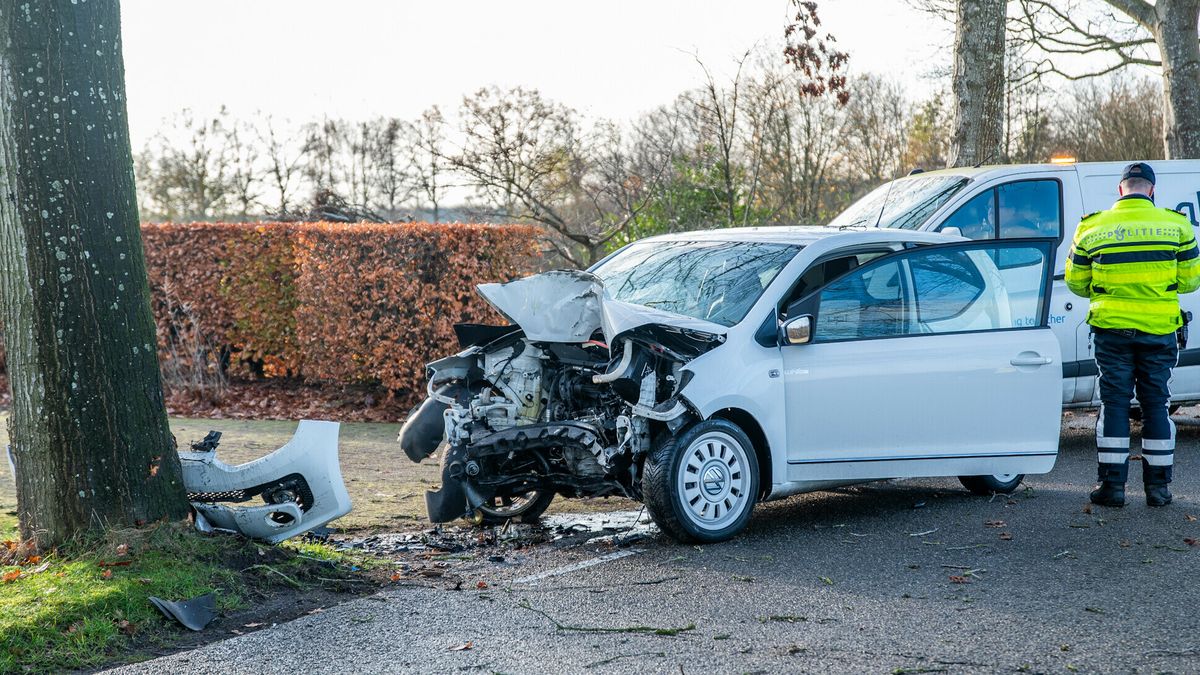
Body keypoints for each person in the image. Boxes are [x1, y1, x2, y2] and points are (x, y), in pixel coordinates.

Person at [1064, 162, 1200, 507]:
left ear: (1120, 190)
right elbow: (1190, 281)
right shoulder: (1177, 226)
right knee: (1157, 404)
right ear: (1151, 190)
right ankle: (1158, 490)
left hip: (1112, 332)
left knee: (1114, 404)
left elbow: (1075, 283)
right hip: (1160, 330)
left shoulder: (1091, 228)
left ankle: (1113, 488)